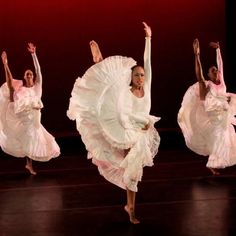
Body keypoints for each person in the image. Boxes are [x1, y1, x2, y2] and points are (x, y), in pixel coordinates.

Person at [67, 22, 160, 224]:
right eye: (136, 75)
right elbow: (119, 109)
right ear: (131, 77)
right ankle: (132, 209)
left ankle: (129, 205)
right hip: (125, 132)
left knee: (133, 172)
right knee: (131, 171)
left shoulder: (148, 86)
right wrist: (140, 122)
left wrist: (148, 38)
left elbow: (148, 61)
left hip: (142, 134)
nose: (140, 78)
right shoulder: (125, 92)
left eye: (142, 75)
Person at [178, 38, 236, 175]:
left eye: (216, 70)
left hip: (223, 115)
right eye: (212, 71)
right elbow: (199, 75)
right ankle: (212, 163)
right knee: (220, 136)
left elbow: (220, 64)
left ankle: (213, 162)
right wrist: (197, 55)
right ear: (209, 75)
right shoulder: (208, 85)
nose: (216, 71)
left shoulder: (222, 82)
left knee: (227, 137)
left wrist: (218, 50)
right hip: (214, 115)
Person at [0, 43, 60, 175]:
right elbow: (10, 83)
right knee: (28, 139)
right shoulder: (21, 90)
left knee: (41, 142)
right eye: (26, 74)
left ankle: (29, 163)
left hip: (36, 121)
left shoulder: (37, 87)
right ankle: (29, 164)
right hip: (25, 121)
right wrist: (5, 64)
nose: (28, 75)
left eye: (30, 74)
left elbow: (38, 70)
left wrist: (33, 54)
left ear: (33, 76)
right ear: (24, 77)